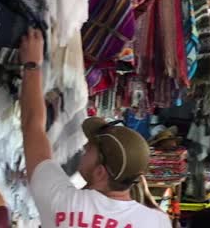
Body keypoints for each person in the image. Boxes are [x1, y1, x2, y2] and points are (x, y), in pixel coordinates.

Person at [18, 29, 171, 228]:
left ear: (100, 173)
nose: (83, 150)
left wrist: (32, 65)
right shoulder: (158, 222)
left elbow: (32, 126)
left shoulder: (64, 203)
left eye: (89, 149)